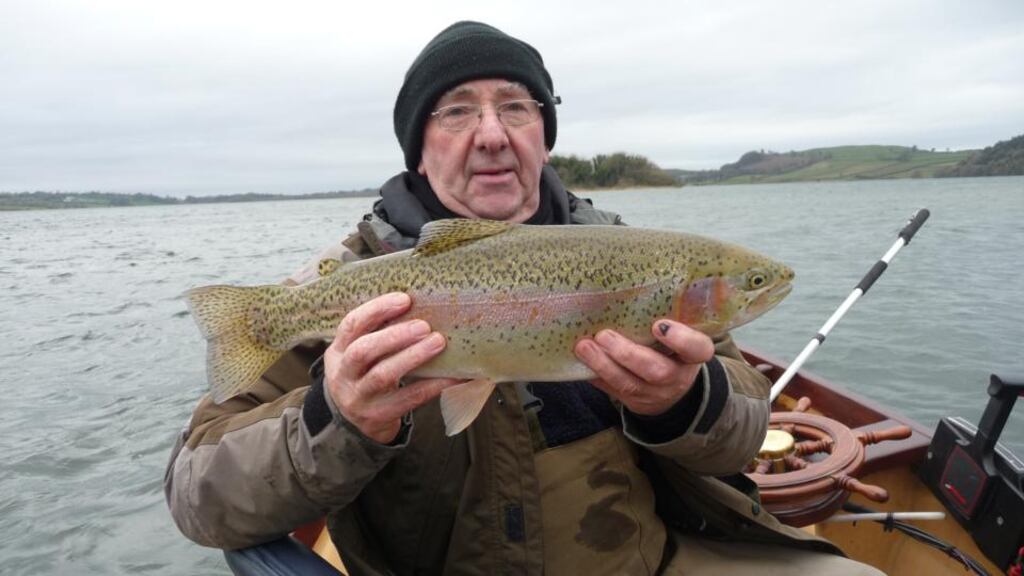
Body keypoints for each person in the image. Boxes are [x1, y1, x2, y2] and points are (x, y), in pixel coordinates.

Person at [165, 21, 883, 575]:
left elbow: (748, 427)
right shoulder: (343, 285)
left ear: (544, 136)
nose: (490, 135)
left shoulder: (638, 260)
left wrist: (682, 403)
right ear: (418, 150)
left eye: (516, 106)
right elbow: (199, 497)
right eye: (455, 112)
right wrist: (337, 416)